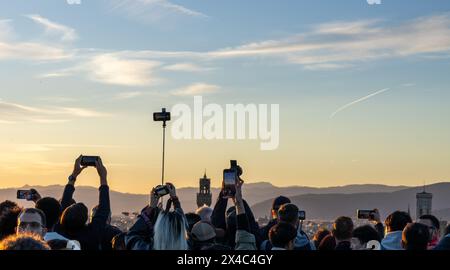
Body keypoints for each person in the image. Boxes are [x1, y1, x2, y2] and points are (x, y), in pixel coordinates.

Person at [57, 155, 111, 250]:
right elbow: (104, 209)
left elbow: (64, 203)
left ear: (63, 216)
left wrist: (73, 175)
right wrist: (103, 177)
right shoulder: (92, 234)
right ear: (86, 219)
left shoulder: (59, 231)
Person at [126, 183, 188, 250]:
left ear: (158, 229)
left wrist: (151, 208)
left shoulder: (144, 248)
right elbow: (183, 224)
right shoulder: (189, 247)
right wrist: (175, 200)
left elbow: (131, 236)